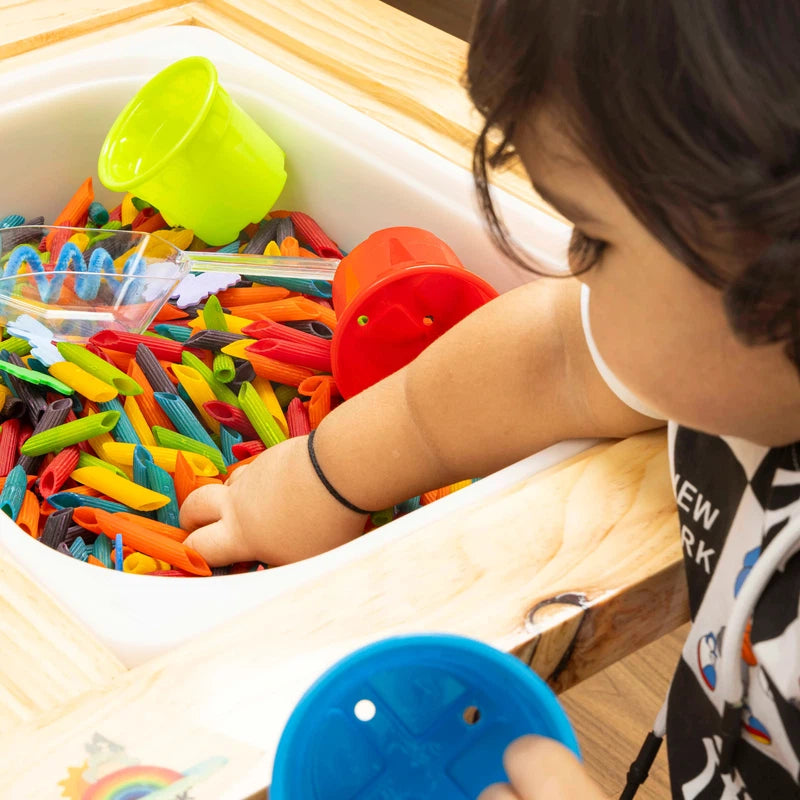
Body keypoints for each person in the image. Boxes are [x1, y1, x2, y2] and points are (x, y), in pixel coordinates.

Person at [181, 1, 800, 797]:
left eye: (594, 238)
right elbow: (558, 354)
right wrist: (326, 472)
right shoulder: (734, 354)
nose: (574, 271)